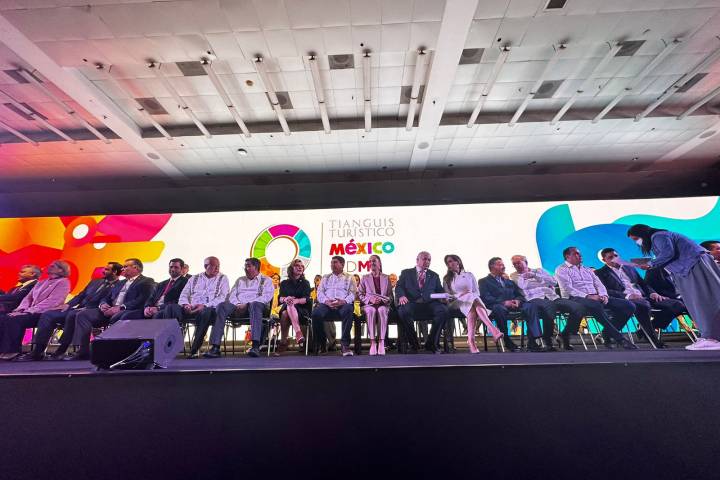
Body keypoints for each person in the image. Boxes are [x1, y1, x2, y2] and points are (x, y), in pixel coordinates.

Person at [628, 224, 720, 350]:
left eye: (636, 239)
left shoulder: (659, 236)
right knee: (697, 303)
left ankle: (712, 337)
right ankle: (709, 336)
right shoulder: (661, 237)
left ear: (642, 234)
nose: (637, 243)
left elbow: (668, 253)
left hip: (693, 266)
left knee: (702, 301)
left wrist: (651, 264)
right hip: (689, 268)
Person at [15, 262, 122, 361]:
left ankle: (62, 349)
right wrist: (68, 304)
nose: (103, 271)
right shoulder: (95, 282)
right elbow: (80, 296)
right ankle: (38, 350)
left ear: (115, 272)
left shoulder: (119, 285)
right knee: (48, 314)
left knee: (73, 315)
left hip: (94, 310)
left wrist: (87, 308)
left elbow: (108, 300)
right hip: (77, 308)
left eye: (107, 269)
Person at [65, 258, 155, 360]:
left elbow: (143, 299)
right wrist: (103, 305)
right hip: (108, 311)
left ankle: (114, 352)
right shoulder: (120, 283)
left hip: (126, 311)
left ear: (135, 268)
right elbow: (106, 297)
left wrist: (121, 307)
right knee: (83, 315)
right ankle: (83, 351)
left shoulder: (146, 281)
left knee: (120, 316)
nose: (122, 269)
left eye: (125, 267)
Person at [596, 248, 685, 348]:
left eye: (616, 255)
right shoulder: (600, 273)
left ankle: (643, 331)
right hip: (626, 300)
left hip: (643, 297)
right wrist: (628, 296)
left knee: (677, 305)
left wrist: (652, 293)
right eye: (610, 257)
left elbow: (642, 283)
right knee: (643, 306)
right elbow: (606, 291)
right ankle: (654, 341)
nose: (615, 258)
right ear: (604, 260)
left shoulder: (629, 268)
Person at [555, 247, 637, 350]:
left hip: (596, 297)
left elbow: (599, 284)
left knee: (629, 306)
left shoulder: (587, 270)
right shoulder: (561, 269)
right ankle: (620, 339)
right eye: (576, 254)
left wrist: (604, 295)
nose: (580, 255)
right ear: (567, 256)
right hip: (575, 298)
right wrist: (588, 296)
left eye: (579, 253)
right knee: (595, 305)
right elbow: (568, 288)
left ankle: (606, 333)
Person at [510, 254, 585, 351]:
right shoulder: (514, 275)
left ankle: (565, 334)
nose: (517, 265)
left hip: (552, 297)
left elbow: (553, 282)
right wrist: (543, 282)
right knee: (549, 306)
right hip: (534, 299)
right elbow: (523, 286)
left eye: (519, 263)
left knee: (579, 308)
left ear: (526, 262)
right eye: (514, 264)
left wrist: (535, 276)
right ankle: (547, 339)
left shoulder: (539, 271)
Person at [0, 260, 72, 360]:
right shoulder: (41, 282)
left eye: (52, 266)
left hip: (44, 312)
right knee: (5, 317)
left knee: (15, 320)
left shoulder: (63, 282)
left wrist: (28, 311)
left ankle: (12, 351)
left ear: (61, 270)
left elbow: (52, 301)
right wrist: (20, 310)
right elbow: (28, 299)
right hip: (30, 311)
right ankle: (3, 350)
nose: (49, 267)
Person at [479, 257, 546, 352]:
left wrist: (517, 300)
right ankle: (506, 339)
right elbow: (485, 297)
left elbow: (519, 295)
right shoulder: (484, 281)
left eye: (503, 264)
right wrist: (504, 302)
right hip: (497, 306)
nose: (503, 266)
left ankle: (533, 340)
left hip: (514, 305)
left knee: (531, 306)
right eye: (500, 265)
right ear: (492, 267)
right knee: (499, 309)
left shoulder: (509, 281)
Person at [169, 256, 229, 358]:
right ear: (206, 266)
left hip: (209, 309)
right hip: (190, 308)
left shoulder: (223, 278)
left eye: (218, 266)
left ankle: (194, 349)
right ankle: (171, 345)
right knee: (171, 308)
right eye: (214, 266)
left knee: (206, 312)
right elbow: (184, 294)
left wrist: (204, 305)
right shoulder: (194, 278)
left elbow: (223, 297)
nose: (217, 268)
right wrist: (186, 305)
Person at [443, 254, 503, 353]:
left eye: (453, 260)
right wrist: (460, 295)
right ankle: (493, 329)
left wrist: (468, 294)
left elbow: (476, 292)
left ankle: (471, 342)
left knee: (472, 311)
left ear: (458, 262)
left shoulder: (469, 275)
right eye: (449, 262)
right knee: (471, 297)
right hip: (456, 302)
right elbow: (448, 296)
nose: (451, 263)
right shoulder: (447, 278)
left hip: (471, 300)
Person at [215, 258, 274, 358]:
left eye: (248, 266)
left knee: (255, 305)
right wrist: (238, 304)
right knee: (222, 306)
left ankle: (255, 346)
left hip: (257, 308)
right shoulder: (240, 280)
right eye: (245, 266)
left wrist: (248, 304)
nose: (245, 268)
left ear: (256, 267)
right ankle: (215, 347)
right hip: (237, 307)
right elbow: (232, 295)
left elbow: (266, 297)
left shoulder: (266, 280)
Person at [395, 251, 449, 354]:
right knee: (403, 311)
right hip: (412, 302)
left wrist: (444, 297)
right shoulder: (406, 273)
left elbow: (440, 290)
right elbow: (399, 287)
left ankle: (432, 343)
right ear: (417, 260)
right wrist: (401, 295)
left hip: (429, 303)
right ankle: (414, 344)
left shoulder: (434, 275)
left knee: (443, 310)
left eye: (429, 260)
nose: (427, 261)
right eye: (425, 259)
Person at [312, 256, 357, 356]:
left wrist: (343, 301)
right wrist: (326, 301)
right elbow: (320, 292)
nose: (332, 265)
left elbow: (353, 293)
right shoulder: (326, 277)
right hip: (327, 304)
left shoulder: (350, 277)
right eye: (332, 263)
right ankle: (322, 344)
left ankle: (345, 345)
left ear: (342, 264)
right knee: (316, 314)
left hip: (343, 304)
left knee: (349, 309)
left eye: (335, 262)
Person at [358, 254, 393, 356]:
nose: (371, 263)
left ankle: (381, 342)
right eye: (370, 261)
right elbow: (360, 294)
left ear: (379, 263)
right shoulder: (364, 278)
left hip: (383, 304)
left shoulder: (386, 278)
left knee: (382, 310)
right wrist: (370, 299)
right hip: (369, 305)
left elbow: (390, 295)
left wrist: (383, 300)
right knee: (371, 310)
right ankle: (373, 342)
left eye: (374, 261)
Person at [277, 259, 311, 354]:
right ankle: (298, 333)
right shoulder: (284, 283)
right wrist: (286, 299)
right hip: (287, 307)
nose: (300, 267)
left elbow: (307, 299)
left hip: (302, 310)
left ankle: (283, 342)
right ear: (291, 268)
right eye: (297, 266)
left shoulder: (305, 283)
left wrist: (296, 301)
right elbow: (280, 298)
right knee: (286, 311)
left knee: (285, 312)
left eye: (302, 266)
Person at [311, 273, 336, 350]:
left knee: (326, 320)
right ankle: (316, 344)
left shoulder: (327, 291)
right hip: (313, 312)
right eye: (317, 280)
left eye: (320, 280)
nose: (318, 282)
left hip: (325, 311)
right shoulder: (311, 291)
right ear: (314, 281)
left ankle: (331, 343)